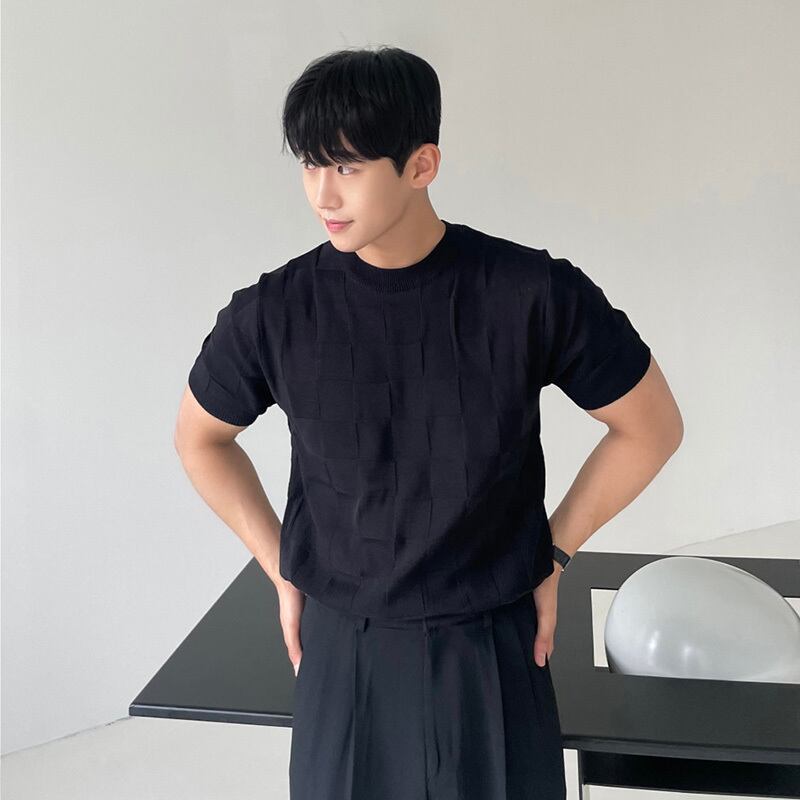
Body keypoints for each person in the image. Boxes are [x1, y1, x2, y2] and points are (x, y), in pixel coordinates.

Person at [174, 45, 683, 800]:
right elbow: (200, 440)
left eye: (347, 166)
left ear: (422, 165)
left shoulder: (530, 293)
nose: (322, 193)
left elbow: (652, 427)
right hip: (342, 646)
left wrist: (555, 552)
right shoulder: (275, 312)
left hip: (494, 642)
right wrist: (280, 565)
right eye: (310, 165)